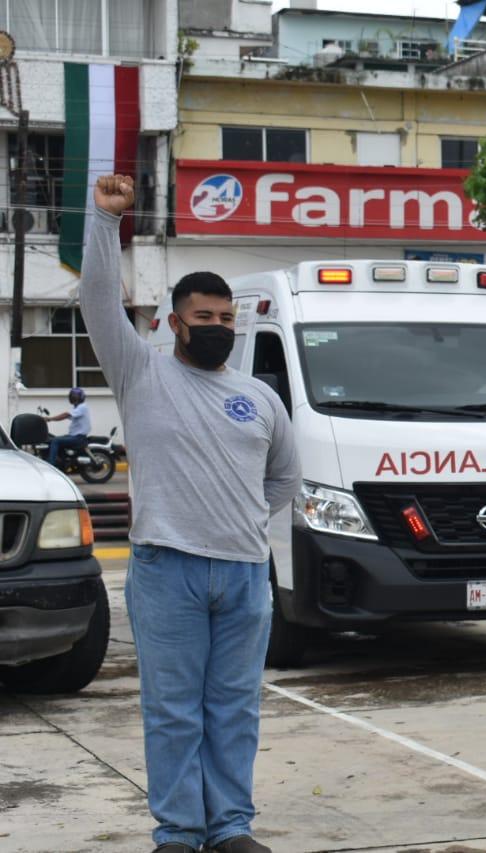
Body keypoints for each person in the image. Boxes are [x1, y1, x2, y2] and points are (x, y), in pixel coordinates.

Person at [79, 174, 302, 853]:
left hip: (243, 575)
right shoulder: (140, 372)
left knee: (233, 712)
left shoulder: (258, 398)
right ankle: (179, 832)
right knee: (173, 713)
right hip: (165, 571)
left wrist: (239, 519)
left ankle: (231, 828)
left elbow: (284, 476)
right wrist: (102, 221)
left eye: (227, 318)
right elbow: (94, 299)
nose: (217, 328)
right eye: (203, 318)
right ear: (173, 322)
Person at [43, 387, 92, 464]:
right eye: (73, 396)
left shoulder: (82, 407)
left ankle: (51, 463)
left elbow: (66, 415)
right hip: (75, 436)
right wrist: (49, 419)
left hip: (78, 438)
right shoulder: (78, 408)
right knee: (54, 438)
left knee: (55, 441)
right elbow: (65, 417)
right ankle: (61, 461)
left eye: (75, 396)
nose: (73, 398)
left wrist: (50, 419)